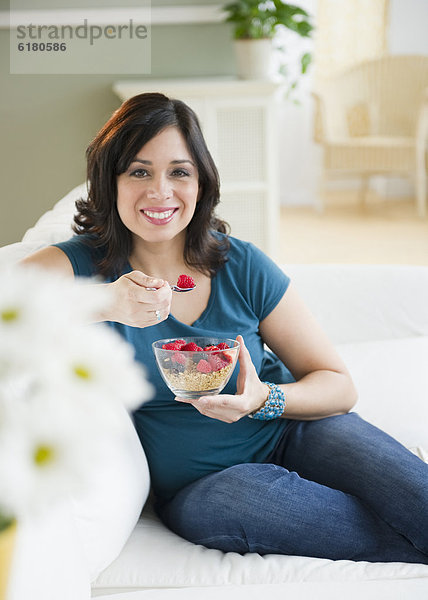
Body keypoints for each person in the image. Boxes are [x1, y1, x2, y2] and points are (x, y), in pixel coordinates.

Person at [21, 92, 428, 564]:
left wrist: (266, 400)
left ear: (201, 183)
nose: (160, 191)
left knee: (416, 496)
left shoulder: (243, 264)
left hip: (294, 429)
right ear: (109, 181)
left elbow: (338, 385)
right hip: (207, 487)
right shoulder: (80, 266)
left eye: (179, 171)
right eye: (138, 171)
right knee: (246, 500)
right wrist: (104, 301)